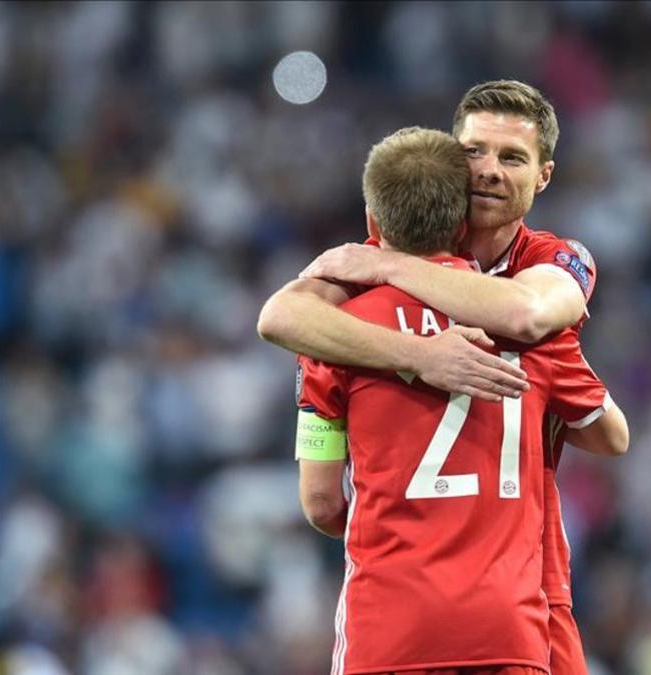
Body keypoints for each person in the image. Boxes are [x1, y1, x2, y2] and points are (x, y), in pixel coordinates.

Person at [259, 80, 626, 674]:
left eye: (512, 158)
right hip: (505, 606)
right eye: (475, 152)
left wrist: (386, 264)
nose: (487, 170)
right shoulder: (532, 341)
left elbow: (523, 312)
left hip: (509, 586)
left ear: (544, 176)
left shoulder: (547, 265)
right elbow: (277, 315)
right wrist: (418, 353)